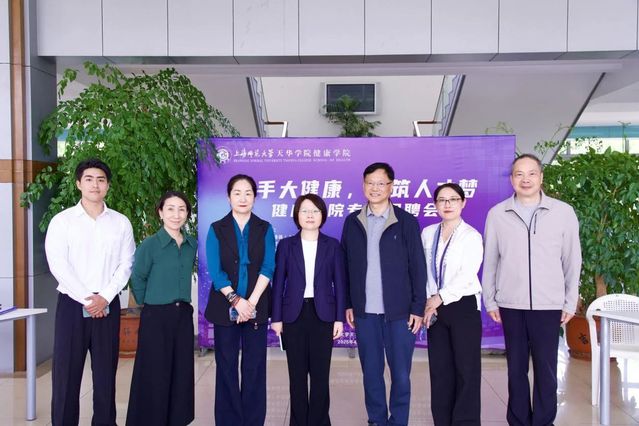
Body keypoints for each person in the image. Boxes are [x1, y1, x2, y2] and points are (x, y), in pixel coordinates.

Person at [482, 153, 582, 426]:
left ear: (541, 177)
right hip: (510, 303)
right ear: (511, 179)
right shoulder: (498, 214)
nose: (525, 179)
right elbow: (490, 261)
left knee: (546, 369)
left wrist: (569, 301)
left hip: (549, 304)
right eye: (519, 174)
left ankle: (543, 421)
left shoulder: (563, 212)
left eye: (531, 173)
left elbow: (572, 260)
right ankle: (518, 420)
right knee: (515, 368)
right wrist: (490, 300)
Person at [45, 158, 135, 425]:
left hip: (108, 305)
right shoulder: (62, 222)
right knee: (66, 374)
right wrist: (88, 299)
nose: (95, 185)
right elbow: (58, 264)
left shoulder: (121, 223)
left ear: (107, 185)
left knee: (106, 375)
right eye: (89, 179)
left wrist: (104, 297)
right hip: (73, 306)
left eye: (101, 180)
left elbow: (126, 264)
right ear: (78, 184)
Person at [341, 162, 427, 426]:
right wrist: (349, 303)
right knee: (371, 373)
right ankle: (376, 420)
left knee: (400, 374)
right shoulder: (353, 222)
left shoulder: (406, 222)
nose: (375, 188)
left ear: (391, 187)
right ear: (363, 185)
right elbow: (345, 267)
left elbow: (418, 268)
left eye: (381, 183)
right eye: (370, 183)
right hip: (365, 312)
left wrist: (418, 308)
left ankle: (398, 421)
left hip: (400, 313)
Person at [204, 174, 276, 426]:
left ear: (255, 197)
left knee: (255, 367)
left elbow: (268, 267)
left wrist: (251, 303)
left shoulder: (265, 228)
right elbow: (216, 271)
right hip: (225, 307)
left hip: (256, 307)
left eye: (248, 193)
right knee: (226, 366)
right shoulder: (216, 228)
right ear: (229, 197)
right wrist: (236, 301)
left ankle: (253, 421)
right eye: (237, 193)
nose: (243, 198)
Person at [271, 194, 347, 426]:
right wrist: (276, 318)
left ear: (322, 215)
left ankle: (320, 421)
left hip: (323, 315)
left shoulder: (332, 245)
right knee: (297, 376)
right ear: (297, 215)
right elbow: (278, 283)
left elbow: (340, 284)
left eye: (315, 210)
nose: (310, 215)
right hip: (293, 316)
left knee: (320, 375)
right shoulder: (286, 245)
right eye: (304, 210)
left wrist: (339, 319)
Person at [126, 191, 197, 426]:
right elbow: (137, 278)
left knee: (181, 371)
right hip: (156, 315)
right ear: (160, 213)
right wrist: (149, 302)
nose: (176, 215)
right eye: (170, 209)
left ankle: (177, 419)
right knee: (154, 372)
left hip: (183, 315)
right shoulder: (150, 245)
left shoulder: (191, 244)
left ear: (187, 214)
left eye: (181, 209)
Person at [421, 183, 483, 426]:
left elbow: (467, 274)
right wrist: (429, 302)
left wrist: (440, 297)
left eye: (453, 199)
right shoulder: (428, 234)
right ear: (435, 205)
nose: (447, 204)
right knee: (440, 370)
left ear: (463, 203)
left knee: (466, 370)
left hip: (462, 306)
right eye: (442, 200)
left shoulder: (471, 236)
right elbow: (424, 271)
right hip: (434, 307)